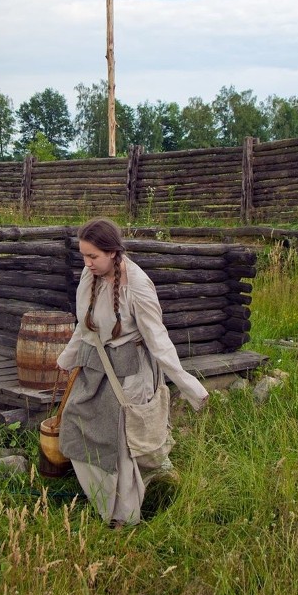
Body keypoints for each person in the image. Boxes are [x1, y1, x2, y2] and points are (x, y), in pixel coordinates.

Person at [56, 217, 208, 527]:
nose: (87, 263)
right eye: (83, 255)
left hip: (130, 375)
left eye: (93, 256)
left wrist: (189, 386)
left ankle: (123, 518)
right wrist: (66, 359)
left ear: (112, 252)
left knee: (121, 445)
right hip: (97, 370)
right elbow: (85, 326)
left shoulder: (136, 285)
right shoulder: (90, 275)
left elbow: (158, 339)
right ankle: (109, 501)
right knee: (76, 426)